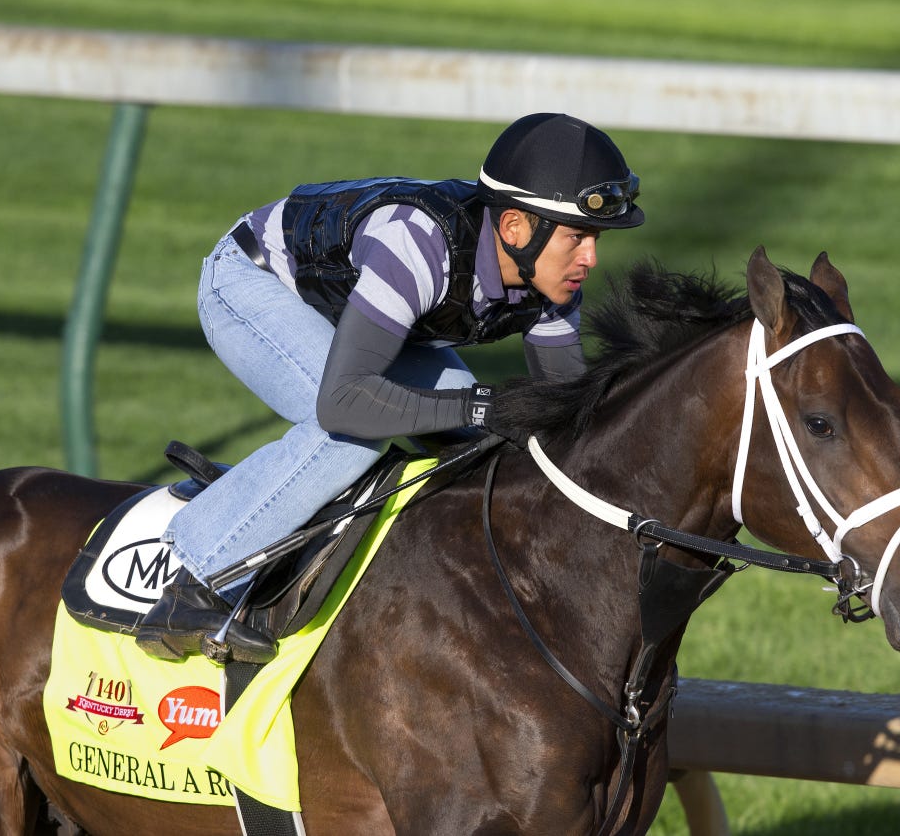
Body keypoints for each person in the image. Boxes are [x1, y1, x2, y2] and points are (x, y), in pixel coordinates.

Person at [135, 112, 645, 663]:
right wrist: (480, 405)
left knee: (470, 444)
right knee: (353, 436)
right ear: (516, 227)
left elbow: (567, 418)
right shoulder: (418, 244)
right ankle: (195, 584)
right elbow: (344, 402)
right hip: (250, 283)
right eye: (577, 236)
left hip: (364, 315)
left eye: (595, 238)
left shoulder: (552, 279)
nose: (591, 258)